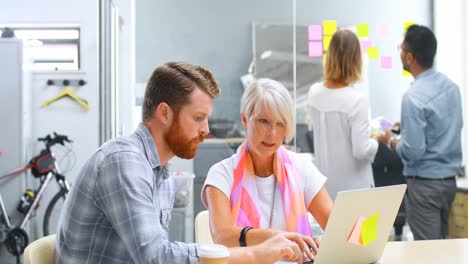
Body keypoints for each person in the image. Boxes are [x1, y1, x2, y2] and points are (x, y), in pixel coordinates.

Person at [55, 62, 305, 264]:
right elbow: (156, 257)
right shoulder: (124, 162)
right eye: (198, 118)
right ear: (164, 113)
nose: (206, 130)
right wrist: (254, 254)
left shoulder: (161, 170)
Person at [202, 78, 333, 262]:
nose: (272, 133)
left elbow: (337, 226)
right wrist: (275, 238)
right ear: (245, 119)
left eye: (280, 124)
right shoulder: (221, 174)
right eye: (264, 121)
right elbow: (222, 236)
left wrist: (326, 241)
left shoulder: (302, 168)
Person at [378, 25, 462, 240]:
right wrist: (407, 127)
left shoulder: (413, 97)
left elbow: (413, 151)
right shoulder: (451, 87)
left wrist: (391, 140)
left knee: (428, 253)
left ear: (410, 57)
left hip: (425, 186)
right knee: (442, 248)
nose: (400, 53)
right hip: (449, 183)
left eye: (401, 49)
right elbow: (447, 127)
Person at [306, 29, 378, 200]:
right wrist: (375, 141)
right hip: (355, 191)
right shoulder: (357, 101)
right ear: (356, 60)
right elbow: (361, 150)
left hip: (325, 189)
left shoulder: (314, 92)